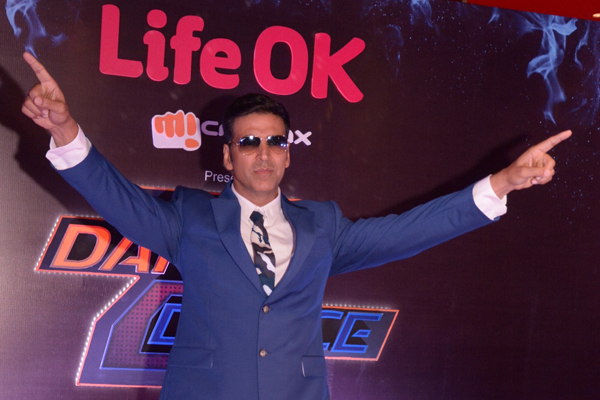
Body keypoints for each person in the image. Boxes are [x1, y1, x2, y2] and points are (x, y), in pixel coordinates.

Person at [21, 52, 571, 400]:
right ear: (228, 156)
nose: (263, 152)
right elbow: (117, 199)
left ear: (288, 154)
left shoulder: (323, 225)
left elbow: (409, 230)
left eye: (275, 141)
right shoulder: (189, 217)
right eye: (249, 142)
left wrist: (501, 183)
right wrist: (66, 131)